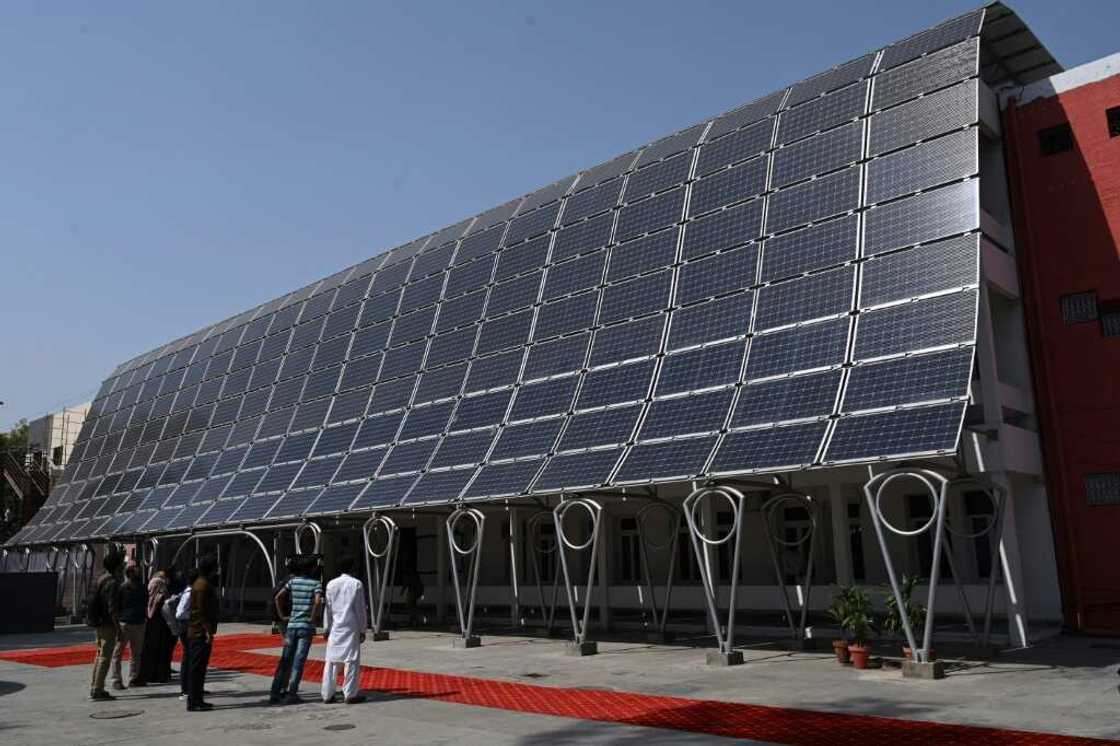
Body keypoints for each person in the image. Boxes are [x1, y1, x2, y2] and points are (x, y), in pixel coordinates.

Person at [269, 556, 323, 705]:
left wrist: (282, 615)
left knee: (285, 660)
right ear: (312, 569)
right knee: (298, 661)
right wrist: (313, 617)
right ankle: (292, 692)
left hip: (292, 625)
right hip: (305, 627)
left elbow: (278, 597)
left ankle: (275, 692)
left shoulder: (293, 582)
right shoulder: (316, 584)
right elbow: (318, 601)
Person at [321, 557, 367, 705]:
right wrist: (362, 629)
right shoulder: (356, 584)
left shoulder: (331, 584)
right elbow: (360, 610)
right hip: (351, 627)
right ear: (353, 568)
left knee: (331, 661)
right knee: (351, 661)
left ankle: (327, 694)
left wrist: (326, 628)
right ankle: (350, 694)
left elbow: (327, 609)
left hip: (335, 627)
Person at [88, 550, 123, 701]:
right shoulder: (112, 583)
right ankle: (98, 689)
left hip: (98, 622)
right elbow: (112, 609)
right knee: (105, 657)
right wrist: (118, 628)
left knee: (99, 654)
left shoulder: (100, 578)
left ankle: (95, 686)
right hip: (107, 624)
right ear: (117, 566)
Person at [186, 556, 219, 712]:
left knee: (200, 668)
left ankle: (198, 698)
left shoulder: (202, 584)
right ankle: (194, 701)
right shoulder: (202, 585)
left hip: (199, 630)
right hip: (199, 632)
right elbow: (201, 612)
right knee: (197, 668)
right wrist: (207, 631)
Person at [110, 563, 148, 689]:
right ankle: (116, 680)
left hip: (138, 622)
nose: (138, 573)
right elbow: (116, 606)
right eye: (136, 571)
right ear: (130, 573)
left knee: (136, 654)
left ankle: (134, 678)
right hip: (124, 623)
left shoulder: (142, 587)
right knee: (117, 653)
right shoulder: (122, 588)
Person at [140, 567, 175, 684]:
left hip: (152, 622)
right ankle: (158, 675)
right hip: (160, 623)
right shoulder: (161, 590)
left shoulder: (149, 590)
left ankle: (151, 674)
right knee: (160, 649)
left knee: (152, 649)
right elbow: (164, 605)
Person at [175, 568, 198, 700]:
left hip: (189, 628)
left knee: (192, 658)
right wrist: (194, 615)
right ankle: (186, 690)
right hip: (186, 629)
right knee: (188, 658)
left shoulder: (190, 591)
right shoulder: (188, 593)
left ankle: (192, 687)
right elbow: (180, 613)